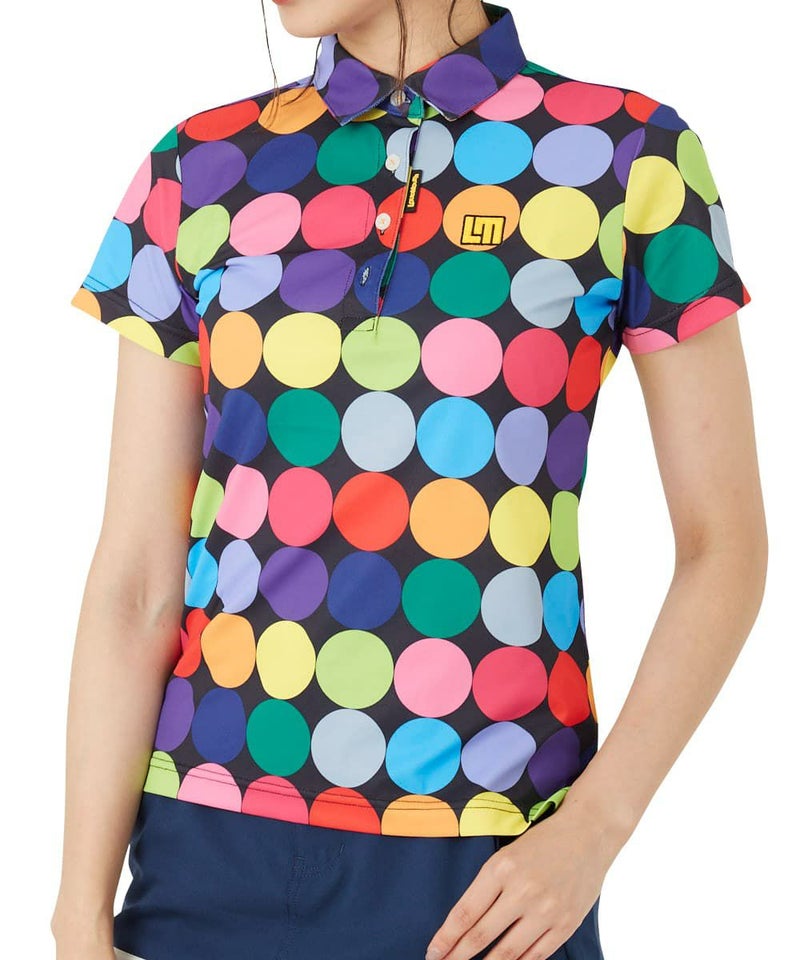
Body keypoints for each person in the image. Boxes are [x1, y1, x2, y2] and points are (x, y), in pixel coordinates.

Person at [51, 2, 767, 959]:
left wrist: (594, 829)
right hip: (206, 844)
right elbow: (138, 580)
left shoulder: (629, 155)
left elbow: (725, 547)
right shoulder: (196, 168)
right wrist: (78, 913)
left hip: (491, 870)